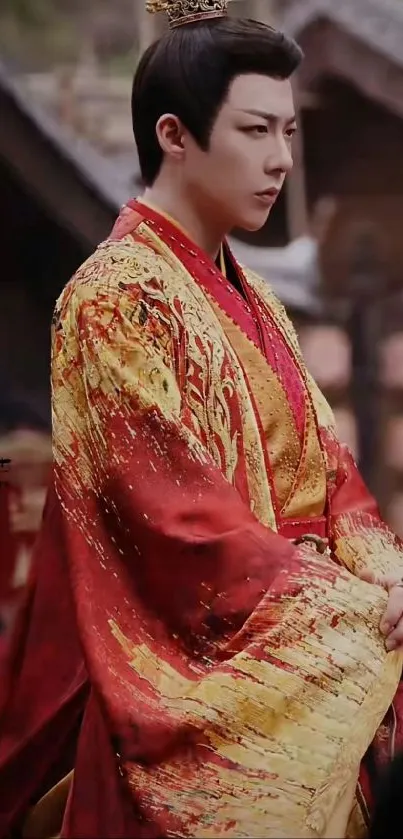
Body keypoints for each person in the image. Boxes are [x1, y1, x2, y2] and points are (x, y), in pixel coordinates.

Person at [1, 1, 403, 836]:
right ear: (174, 134)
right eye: (257, 130)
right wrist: (343, 603)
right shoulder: (111, 299)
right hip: (201, 654)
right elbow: (174, 519)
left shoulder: (262, 307)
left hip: (303, 608)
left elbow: (336, 480)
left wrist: (385, 579)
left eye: (288, 133)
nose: (281, 159)